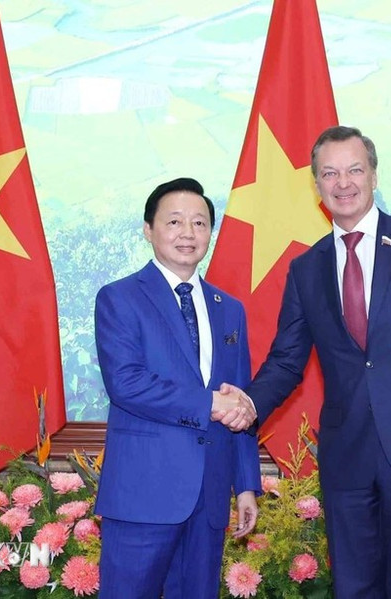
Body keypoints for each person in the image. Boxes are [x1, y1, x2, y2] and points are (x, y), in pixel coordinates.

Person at [222, 126, 391, 598]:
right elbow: (288, 361)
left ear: (373, 175)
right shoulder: (306, 268)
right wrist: (247, 404)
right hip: (346, 458)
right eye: (329, 173)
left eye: (354, 170)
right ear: (316, 184)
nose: (342, 183)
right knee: (352, 588)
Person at [94, 177, 261, 599]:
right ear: (148, 229)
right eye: (174, 221)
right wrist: (209, 403)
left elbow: (239, 401)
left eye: (200, 223)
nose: (188, 233)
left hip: (208, 498)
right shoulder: (119, 298)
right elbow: (126, 384)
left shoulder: (230, 310)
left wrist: (245, 485)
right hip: (142, 494)